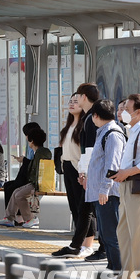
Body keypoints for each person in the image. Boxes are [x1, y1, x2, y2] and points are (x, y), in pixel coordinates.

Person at [111, 94, 140, 279]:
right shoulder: (132, 130)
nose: (123, 113)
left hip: (136, 185)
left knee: (138, 232)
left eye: (127, 110)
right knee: (124, 231)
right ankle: (128, 275)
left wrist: (127, 172)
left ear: (138, 112)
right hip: (127, 184)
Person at [86, 99, 125, 271]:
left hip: (107, 194)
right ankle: (113, 266)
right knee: (106, 233)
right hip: (101, 193)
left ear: (95, 115)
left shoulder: (112, 134)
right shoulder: (103, 132)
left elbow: (113, 164)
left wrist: (104, 189)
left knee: (111, 234)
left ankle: (117, 268)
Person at [53, 95, 90, 257]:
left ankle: (86, 244)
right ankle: (81, 243)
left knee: (84, 208)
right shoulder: (68, 126)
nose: (72, 104)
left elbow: (84, 152)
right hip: (67, 167)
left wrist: (84, 172)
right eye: (70, 102)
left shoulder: (84, 125)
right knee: (74, 207)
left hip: (79, 169)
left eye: (76, 102)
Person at [0, 128, 51, 228]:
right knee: (16, 192)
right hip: (35, 182)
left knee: (19, 194)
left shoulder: (41, 153)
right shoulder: (39, 152)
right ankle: (9, 218)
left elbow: (37, 170)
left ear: (32, 141)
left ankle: (30, 218)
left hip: (38, 183)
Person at [74, 83, 105, 261]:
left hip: (95, 173)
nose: (76, 99)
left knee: (93, 210)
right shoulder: (88, 117)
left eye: (77, 96)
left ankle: (97, 247)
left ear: (84, 96)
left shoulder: (92, 117)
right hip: (92, 171)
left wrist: (85, 173)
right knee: (89, 209)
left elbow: (91, 149)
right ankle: (87, 246)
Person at [3, 122, 42, 216]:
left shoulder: (39, 150)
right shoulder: (31, 148)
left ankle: (16, 216)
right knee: (8, 186)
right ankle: (12, 216)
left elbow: (34, 164)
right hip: (26, 175)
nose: (26, 138)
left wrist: (24, 160)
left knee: (13, 189)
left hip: (30, 178)